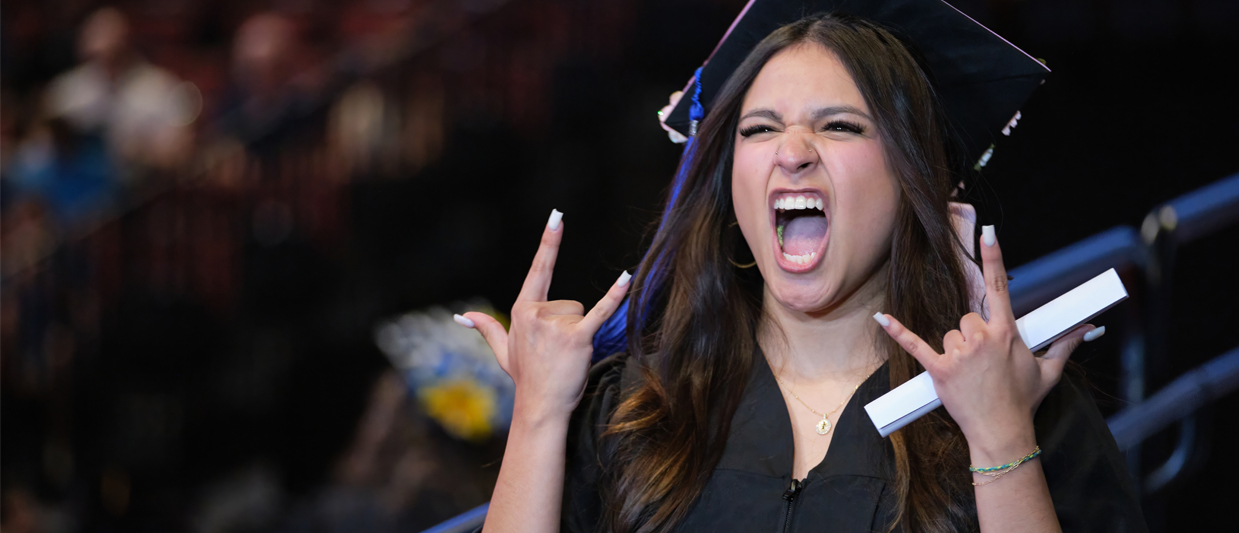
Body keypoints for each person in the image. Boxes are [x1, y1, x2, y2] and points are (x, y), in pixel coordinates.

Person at [456, 4, 1146, 532]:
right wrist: (539, 414)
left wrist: (998, 435)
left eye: (839, 125)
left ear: (918, 175)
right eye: (758, 129)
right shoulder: (637, 407)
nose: (791, 151)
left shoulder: (1020, 402)